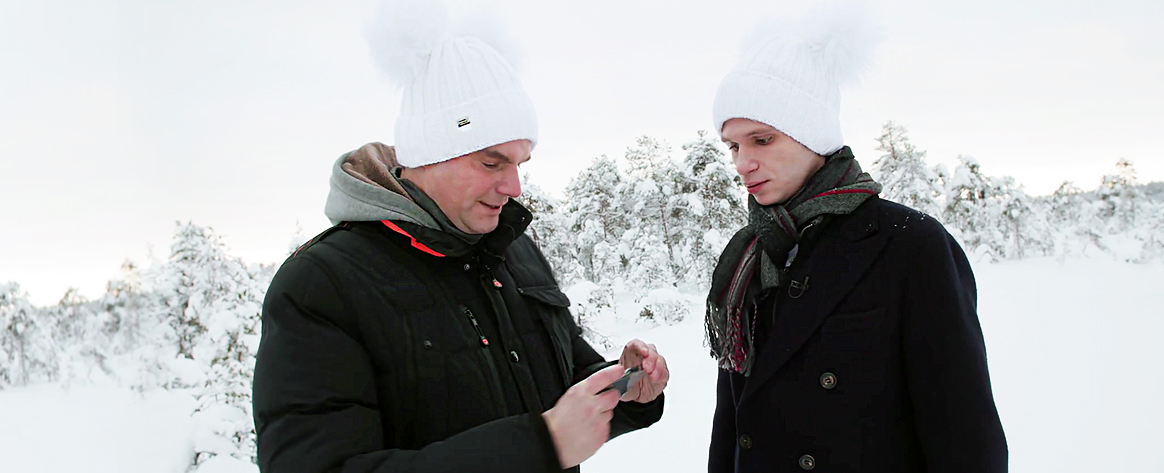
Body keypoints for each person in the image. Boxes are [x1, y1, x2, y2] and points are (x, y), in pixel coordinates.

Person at [252, 27, 667, 473]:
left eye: (519, 164)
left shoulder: (514, 252)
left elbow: (562, 383)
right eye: (492, 162)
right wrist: (539, 446)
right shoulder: (322, 284)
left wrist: (623, 388)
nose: (514, 187)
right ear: (428, 153)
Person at [704, 12, 1007, 473]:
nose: (743, 162)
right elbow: (733, 424)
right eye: (732, 146)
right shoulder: (751, 256)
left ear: (812, 134)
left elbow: (963, 435)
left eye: (761, 140)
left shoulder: (910, 245)